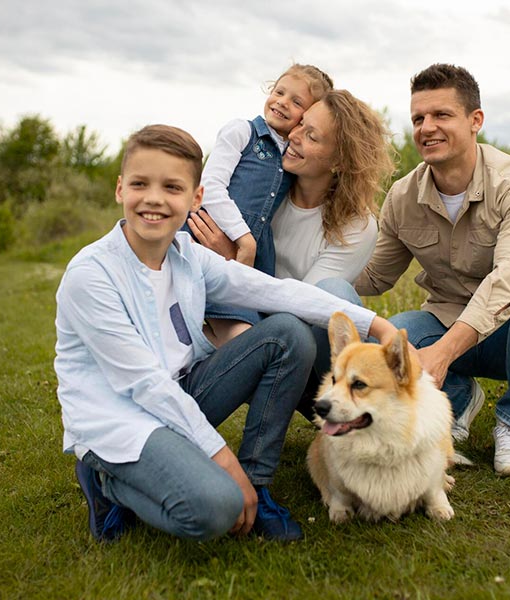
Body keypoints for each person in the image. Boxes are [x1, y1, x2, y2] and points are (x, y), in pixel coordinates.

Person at [54, 124, 398, 544]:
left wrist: (375, 324)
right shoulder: (91, 275)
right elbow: (143, 385)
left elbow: (275, 291)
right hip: (122, 414)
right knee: (215, 509)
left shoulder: (187, 256)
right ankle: (105, 478)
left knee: (287, 333)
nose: (155, 199)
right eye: (141, 184)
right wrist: (223, 462)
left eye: (173, 187)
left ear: (196, 198)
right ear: (120, 188)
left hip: (183, 391)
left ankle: (260, 483)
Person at [354, 64, 510, 476]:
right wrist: (296, 266)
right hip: (443, 322)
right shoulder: (402, 196)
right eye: (418, 118)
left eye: (441, 115)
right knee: (397, 333)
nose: (426, 128)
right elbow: (373, 277)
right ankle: (456, 396)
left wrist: (443, 353)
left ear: (475, 121)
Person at [188, 89, 395, 415]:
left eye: (311, 135)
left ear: (339, 160)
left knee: (334, 293)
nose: (293, 136)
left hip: (308, 351)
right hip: (245, 322)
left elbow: (304, 310)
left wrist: (232, 261)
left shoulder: (357, 225)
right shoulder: (266, 194)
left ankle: (349, 402)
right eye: (299, 125)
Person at [195, 64, 334, 347]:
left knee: (249, 337)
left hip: (253, 264)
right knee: (244, 339)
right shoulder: (242, 132)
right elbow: (210, 187)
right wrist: (244, 239)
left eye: (296, 102)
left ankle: (194, 357)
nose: (282, 102)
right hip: (208, 240)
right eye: (279, 92)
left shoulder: (292, 156)